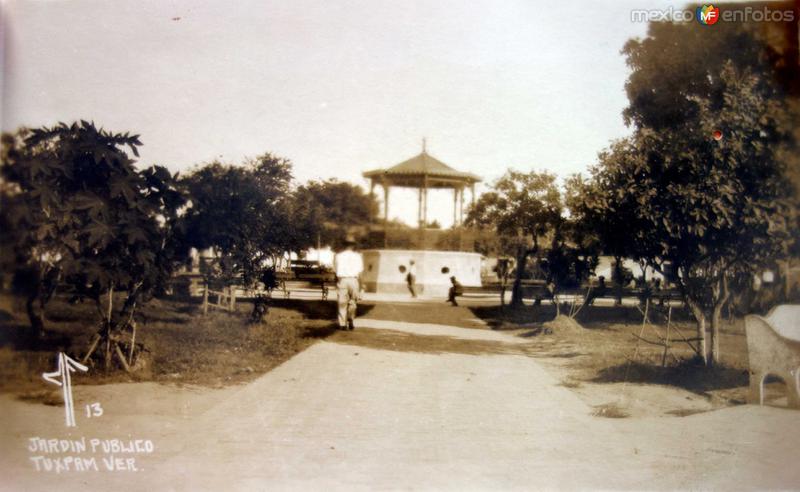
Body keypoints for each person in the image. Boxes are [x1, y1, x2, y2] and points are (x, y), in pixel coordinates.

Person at [333, 236, 363, 330]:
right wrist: (361, 285)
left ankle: (342, 324)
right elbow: (360, 272)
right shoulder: (358, 256)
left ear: (344, 245)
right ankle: (351, 319)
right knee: (353, 302)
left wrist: (336, 282)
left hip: (342, 280)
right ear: (353, 246)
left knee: (342, 302)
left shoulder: (338, 256)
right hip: (354, 280)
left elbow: (335, 270)